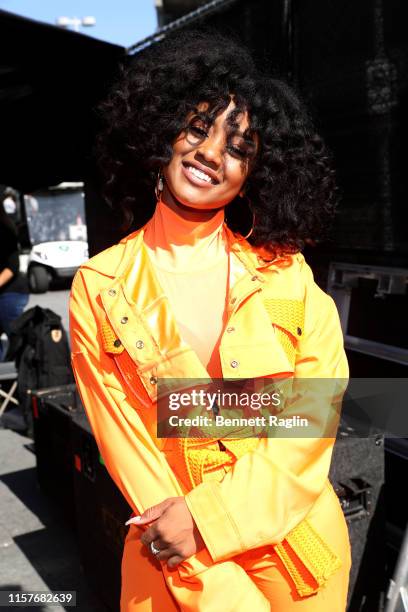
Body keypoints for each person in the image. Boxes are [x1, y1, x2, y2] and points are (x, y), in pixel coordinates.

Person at [69, 30, 351, 611]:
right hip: (174, 562)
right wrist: (204, 563)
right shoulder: (99, 287)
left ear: (253, 174)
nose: (211, 154)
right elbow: (130, 450)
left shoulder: (286, 275)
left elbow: (313, 420)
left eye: (238, 147)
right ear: (163, 132)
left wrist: (211, 515)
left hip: (301, 560)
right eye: (198, 129)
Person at [0, 201, 29, 361]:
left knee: (17, 339)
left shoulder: (4, 231)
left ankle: (24, 374)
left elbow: (13, 267)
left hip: (10, 293)